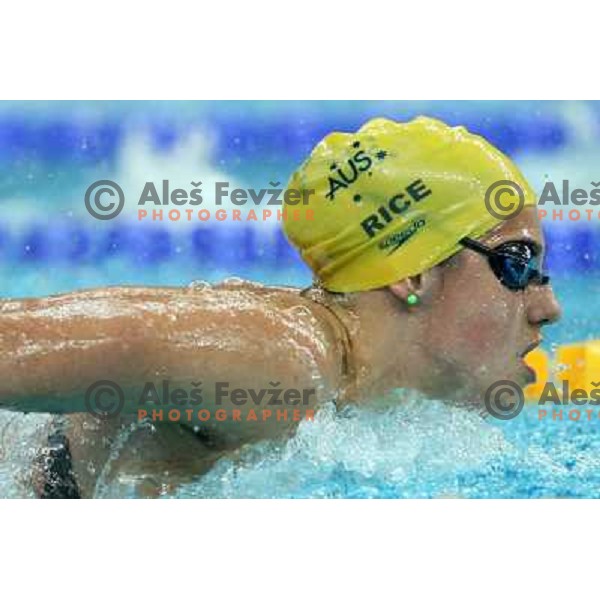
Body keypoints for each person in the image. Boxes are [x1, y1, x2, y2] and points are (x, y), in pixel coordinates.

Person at [0, 117, 561, 498]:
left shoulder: (358, 394)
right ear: (411, 271)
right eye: (516, 263)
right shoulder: (282, 360)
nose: (548, 306)